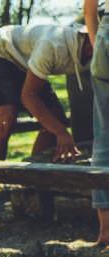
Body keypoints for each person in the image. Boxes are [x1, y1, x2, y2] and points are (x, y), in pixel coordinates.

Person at [0, 24, 93, 225]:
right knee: (6, 119)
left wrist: (58, 128)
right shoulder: (53, 44)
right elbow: (28, 96)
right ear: (90, 36)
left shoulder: (96, 54)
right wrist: (62, 133)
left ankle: (30, 185)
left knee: (55, 118)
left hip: (27, 62)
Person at [84, 0, 109, 245]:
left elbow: (89, 6)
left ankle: (106, 230)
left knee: (103, 136)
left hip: (104, 32)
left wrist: (96, 40)